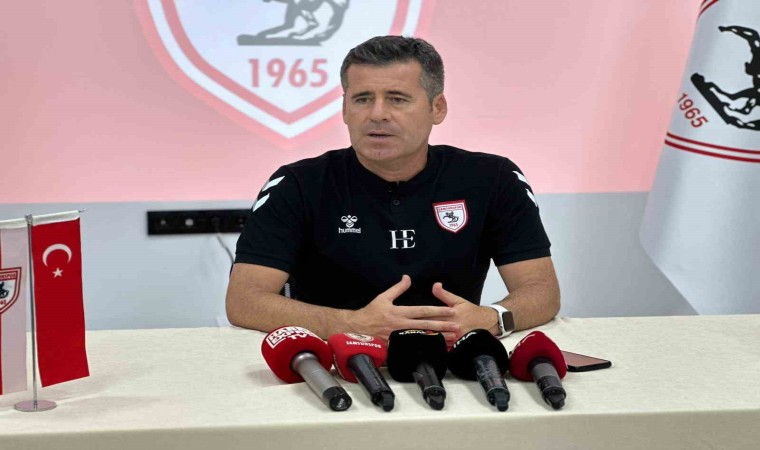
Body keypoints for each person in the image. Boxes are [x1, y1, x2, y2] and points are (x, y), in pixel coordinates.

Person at [226, 35, 560, 343]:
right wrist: (350, 324)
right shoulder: (297, 184)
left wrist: (491, 318)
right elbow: (244, 300)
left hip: (455, 362)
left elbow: (541, 291)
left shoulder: (493, 178)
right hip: (332, 364)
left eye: (397, 99)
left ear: (437, 108)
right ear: (345, 109)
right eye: (362, 99)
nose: (377, 114)